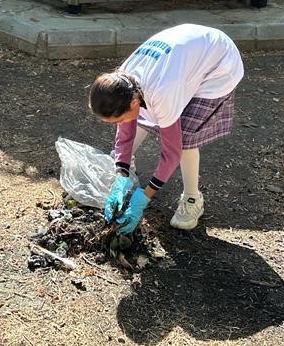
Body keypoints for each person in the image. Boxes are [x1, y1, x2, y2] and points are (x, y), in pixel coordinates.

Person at [88, 24, 244, 234]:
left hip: (218, 64)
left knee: (185, 138)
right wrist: (121, 173)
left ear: (133, 102)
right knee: (144, 117)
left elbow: (171, 152)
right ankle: (126, 176)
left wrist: (144, 196)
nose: (118, 125)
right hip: (187, 57)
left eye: (118, 119)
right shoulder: (122, 80)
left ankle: (192, 199)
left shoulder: (161, 92)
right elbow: (126, 127)